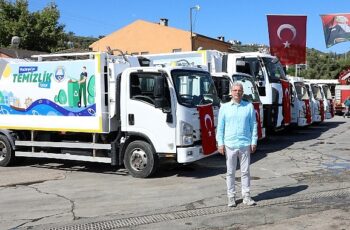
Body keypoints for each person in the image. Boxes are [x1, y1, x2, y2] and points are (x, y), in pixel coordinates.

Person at [216, 82, 258, 207]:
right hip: (229, 144)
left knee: (245, 172)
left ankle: (246, 196)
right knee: (230, 172)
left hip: (245, 144)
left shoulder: (249, 107)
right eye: (235, 90)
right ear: (231, 92)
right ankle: (231, 197)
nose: (237, 93)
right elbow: (220, 127)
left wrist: (254, 141)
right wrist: (220, 143)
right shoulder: (224, 107)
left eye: (239, 90)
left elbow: (253, 125)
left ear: (242, 92)